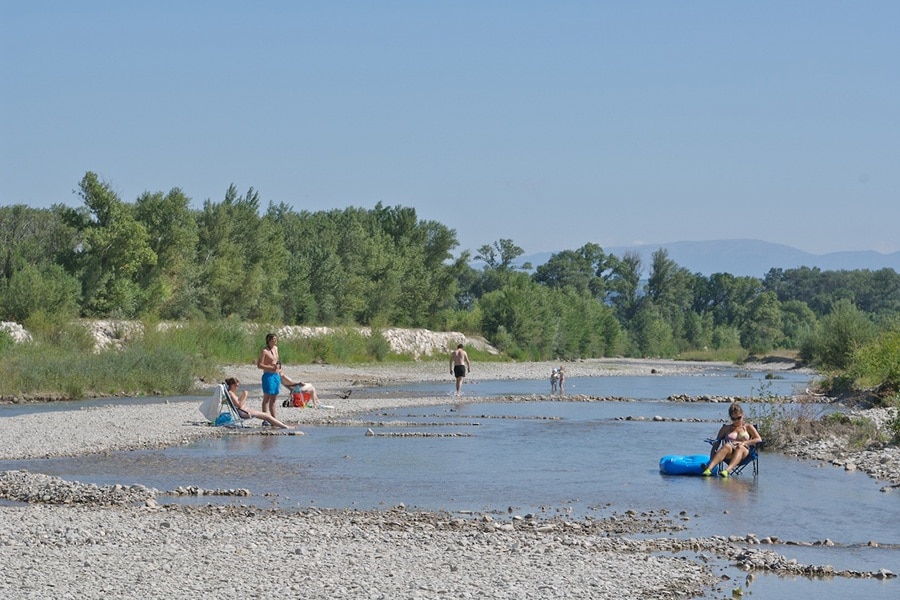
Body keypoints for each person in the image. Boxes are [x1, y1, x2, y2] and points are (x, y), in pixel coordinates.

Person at [703, 402, 761, 477]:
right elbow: (716, 444)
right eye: (733, 419)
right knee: (726, 446)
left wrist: (744, 443)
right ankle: (708, 469)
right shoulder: (725, 428)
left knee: (739, 447)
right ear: (730, 418)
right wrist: (711, 458)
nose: (736, 421)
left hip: (744, 452)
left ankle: (727, 471)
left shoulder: (748, 427)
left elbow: (759, 439)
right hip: (730, 452)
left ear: (742, 414)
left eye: (739, 418)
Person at [223, 377, 301, 431]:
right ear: (232, 385)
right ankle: (285, 427)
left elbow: (237, 403)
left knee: (266, 415)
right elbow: (239, 405)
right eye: (236, 385)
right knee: (267, 415)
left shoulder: (231, 393)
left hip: (244, 410)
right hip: (244, 412)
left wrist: (243, 396)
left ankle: (283, 426)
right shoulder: (231, 393)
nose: (237, 387)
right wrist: (245, 395)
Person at [257, 333, 281, 419]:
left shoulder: (276, 349)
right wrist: (270, 367)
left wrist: (279, 367)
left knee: (274, 398)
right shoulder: (264, 351)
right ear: (269, 340)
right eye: (274, 339)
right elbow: (259, 365)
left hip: (276, 375)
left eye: (276, 339)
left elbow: (276, 360)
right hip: (268, 375)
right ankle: (266, 418)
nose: (275, 340)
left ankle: (274, 418)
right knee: (267, 398)